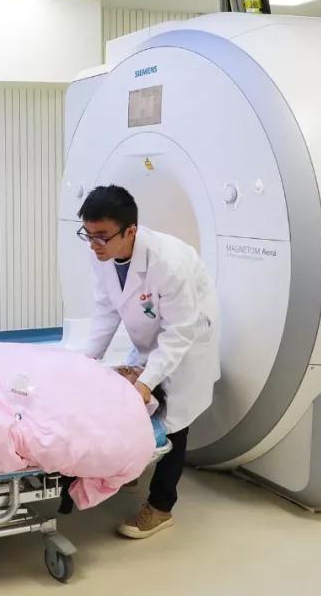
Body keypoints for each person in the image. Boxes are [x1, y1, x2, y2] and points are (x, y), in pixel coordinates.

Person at [75, 185, 220, 539]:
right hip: (150, 339)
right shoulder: (103, 256)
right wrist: (85, 361)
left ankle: (160, 507)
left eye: (102, 236)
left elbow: (179, 331)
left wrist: (145, 381)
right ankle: (132, 467)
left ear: (130, 231)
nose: (94, 245)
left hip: (186, 344)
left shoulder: (169, 262)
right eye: (88, 235)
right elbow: (106, 309)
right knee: (133, 406)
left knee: (173, 423)